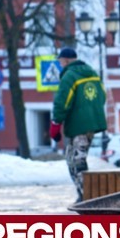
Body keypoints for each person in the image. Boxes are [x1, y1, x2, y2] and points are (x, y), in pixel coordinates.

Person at [49, 47, 107, 203]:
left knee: (76, 161)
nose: (60, 64)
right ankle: (84, 195)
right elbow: (102, 96)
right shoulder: (93, 73)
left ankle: (86, 196)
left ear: (66, 60)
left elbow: (62, 102)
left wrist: (55, 123)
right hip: (92, 125)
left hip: (77, 126)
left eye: (60, 61)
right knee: (76, 158)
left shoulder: (69, 76)